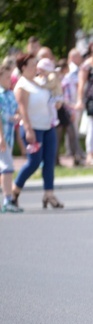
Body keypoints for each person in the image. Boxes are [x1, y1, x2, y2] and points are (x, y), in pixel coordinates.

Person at [12, 53, 64, 209]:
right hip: (33, 128)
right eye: (33, 64)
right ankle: (15, 191)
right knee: (34, 162)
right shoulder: (22, 86)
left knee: (49, 162)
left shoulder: (39, 82)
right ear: (23, 67)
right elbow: (23, 110)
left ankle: (49, 194)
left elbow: (54, 100)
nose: (37, 67)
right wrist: (28, 130)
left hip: (48, 126)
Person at [0, 63, 22, 212]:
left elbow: (17, 110)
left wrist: (17, 116)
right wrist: (1, 137)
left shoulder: (9, 93)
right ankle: (7, 200)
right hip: (3, 137)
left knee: (5, 168)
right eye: (8, 77)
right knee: (7, 168)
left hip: (8, 136)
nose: (10, 80)